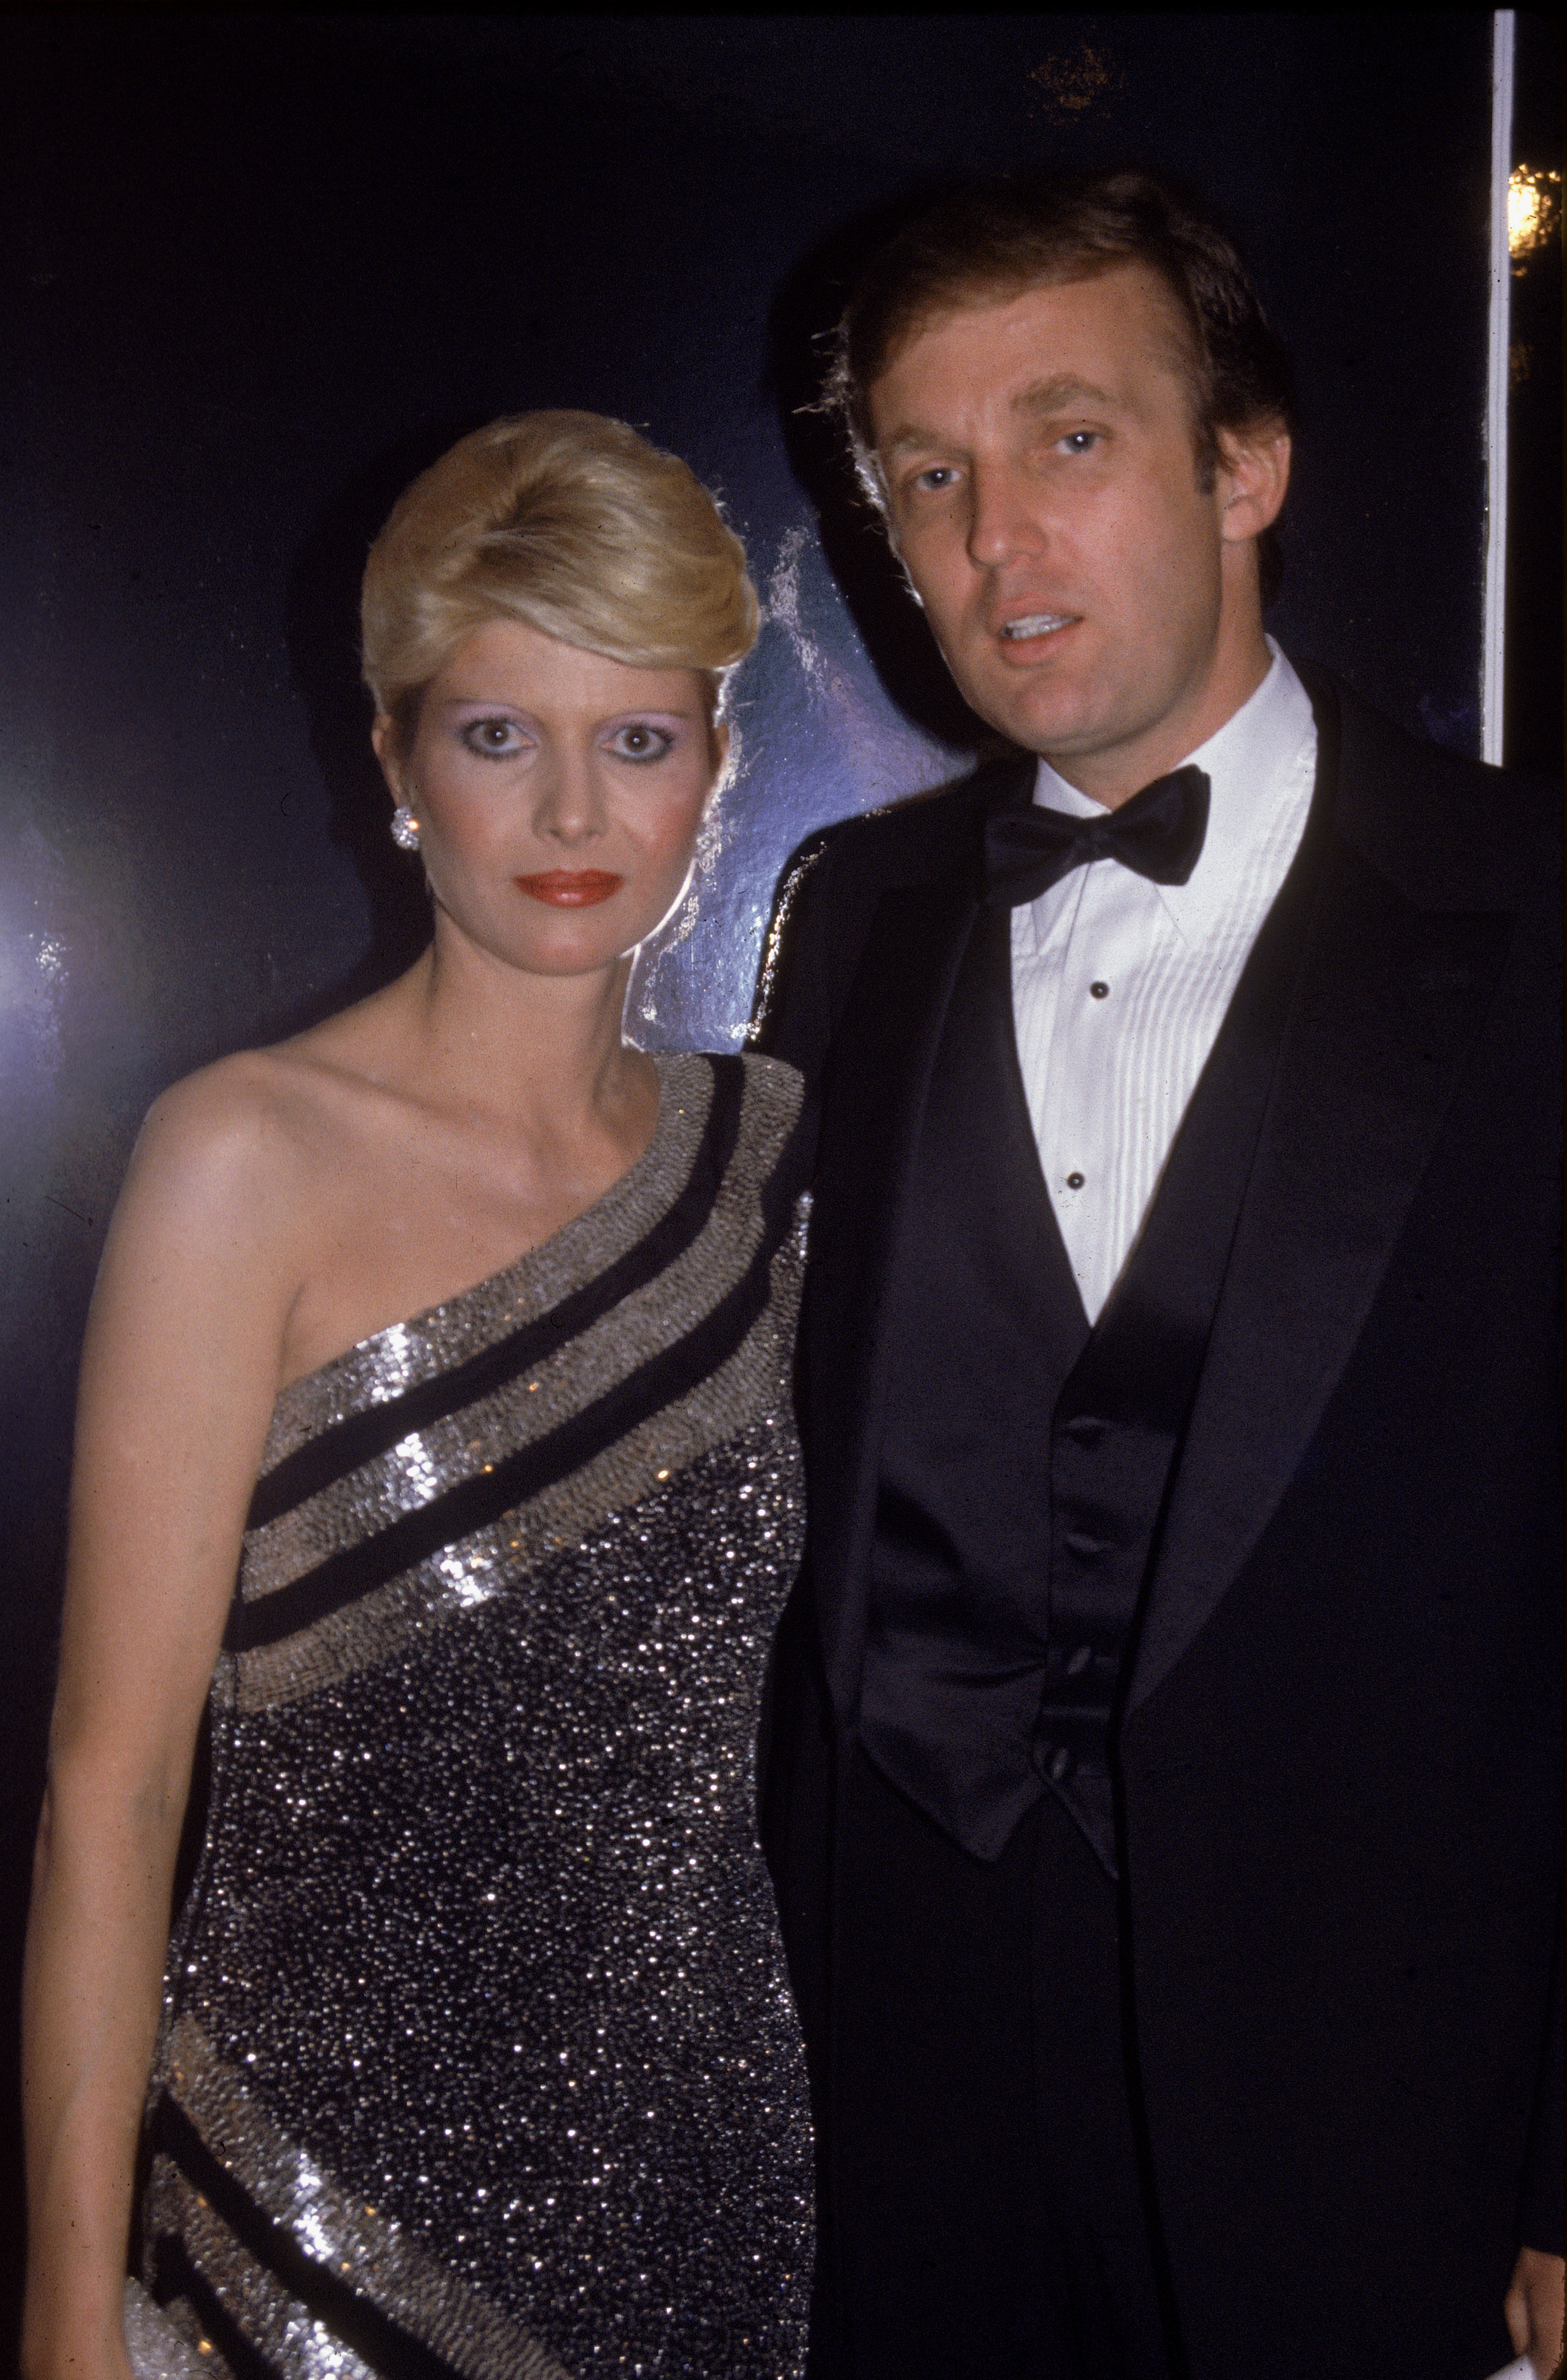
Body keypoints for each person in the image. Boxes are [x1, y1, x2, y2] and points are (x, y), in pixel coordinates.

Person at [750, 169, 1562, 2380]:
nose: (995, 541)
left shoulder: (1538, 909)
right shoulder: (853, 923)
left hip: (1373, 2108)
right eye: (932, 475)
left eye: (1070, 439)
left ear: (1248, 465)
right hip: (904, 2101)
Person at [22, 411, 814, 2380]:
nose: (568, 811)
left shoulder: (778, 1160)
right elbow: (111, 1794)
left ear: (715, 772)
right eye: (495, 735)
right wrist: (62, 2305)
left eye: (636, 738)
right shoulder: (244, 1160)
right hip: (309, 2239)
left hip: (716, 2208)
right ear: (390, 762)